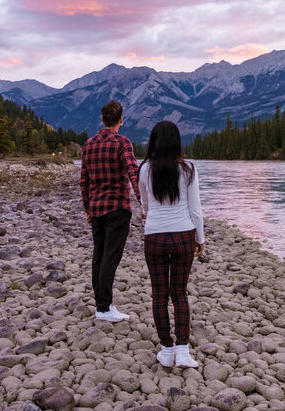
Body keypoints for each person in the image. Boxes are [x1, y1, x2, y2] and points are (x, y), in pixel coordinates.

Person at [139, 120, 205, 368]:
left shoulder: (144, 169)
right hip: (182, 235)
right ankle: (183, 350)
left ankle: (166, 349)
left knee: (159, 293)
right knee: (179, 293)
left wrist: (150, 213)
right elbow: (195, 210)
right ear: (176, 141)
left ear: (153, 142)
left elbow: (144, 205)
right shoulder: (187, 169)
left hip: (154, 235)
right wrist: (200, 239)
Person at [80, 100, 141, 322]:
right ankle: (104, 308)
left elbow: (84, 181)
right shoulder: (122, 143)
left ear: (103, 119)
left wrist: (87, 208)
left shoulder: (88, 145)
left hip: (96, 209)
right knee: (110, 258)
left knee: (99, 255)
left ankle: (101, 305)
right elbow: (132, 172)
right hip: (117, 208)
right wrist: (144, 201)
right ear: (121, 119)